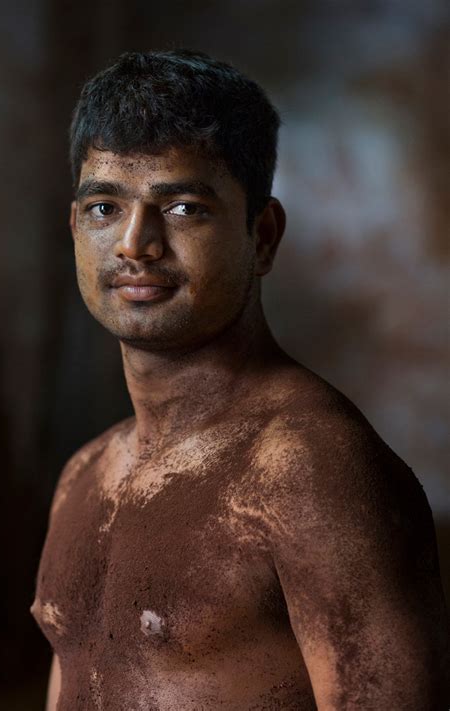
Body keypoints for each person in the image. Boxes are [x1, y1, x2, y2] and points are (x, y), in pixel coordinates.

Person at [31, 50, 448, 710]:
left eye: (184, 208)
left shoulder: (310, 469)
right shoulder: (86, 472)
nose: (135, 243)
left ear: (262, 236)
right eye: (105, 206)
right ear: (77, 226)